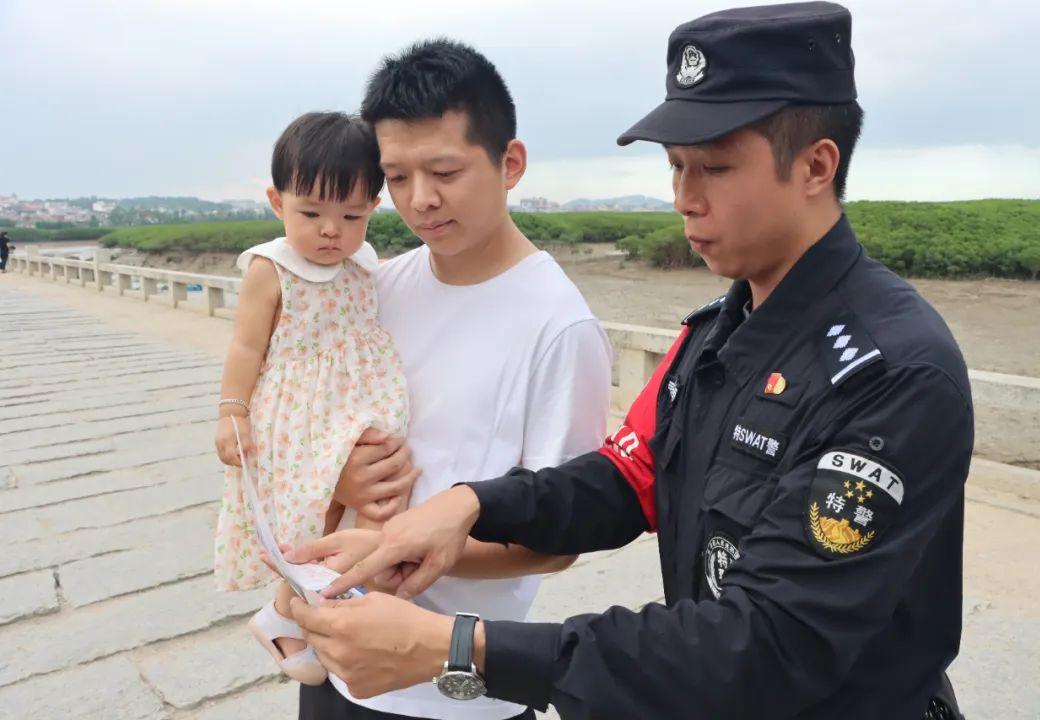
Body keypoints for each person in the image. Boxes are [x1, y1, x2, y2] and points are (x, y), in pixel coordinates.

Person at [286, 4, 973, 720]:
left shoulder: (891, 373)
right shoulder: (715, 337)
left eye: (714, 168)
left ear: (815, 166)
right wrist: (470, 505)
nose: (684, 200)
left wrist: (460, 647)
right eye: (675, 167)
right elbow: (624, 480)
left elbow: (766, 643)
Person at [294, 39, 614, 720]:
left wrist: (399, 550)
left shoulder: (560, 327)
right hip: (336, 663)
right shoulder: (377, 289)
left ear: (510, 163)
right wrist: (337, 479)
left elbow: (558, 541)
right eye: (397, 177)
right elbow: (314, 423)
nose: (421, 200)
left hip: (455, 692)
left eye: (445, 171)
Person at [212, 111, 412, 686]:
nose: (331, 231)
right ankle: (291, 610)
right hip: (299, 415)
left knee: (375, 499)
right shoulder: (271, 269)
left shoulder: (364, 265)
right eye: (311, 214)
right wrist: (232, 411)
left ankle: (326, 602)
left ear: (373, 207)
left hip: (358, 405)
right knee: (311, 516)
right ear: (278, 202)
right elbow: (246, 346)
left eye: (351, 216)